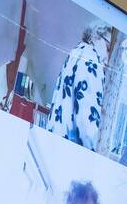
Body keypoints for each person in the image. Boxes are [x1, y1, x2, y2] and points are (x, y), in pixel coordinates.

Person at [43, 20, 117, 151]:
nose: (107, 57)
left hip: (53, 142)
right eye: (108, 48)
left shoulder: (77, 51)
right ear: (96, 37)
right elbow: (88, 125)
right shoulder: (92, 62)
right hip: (69, 151)